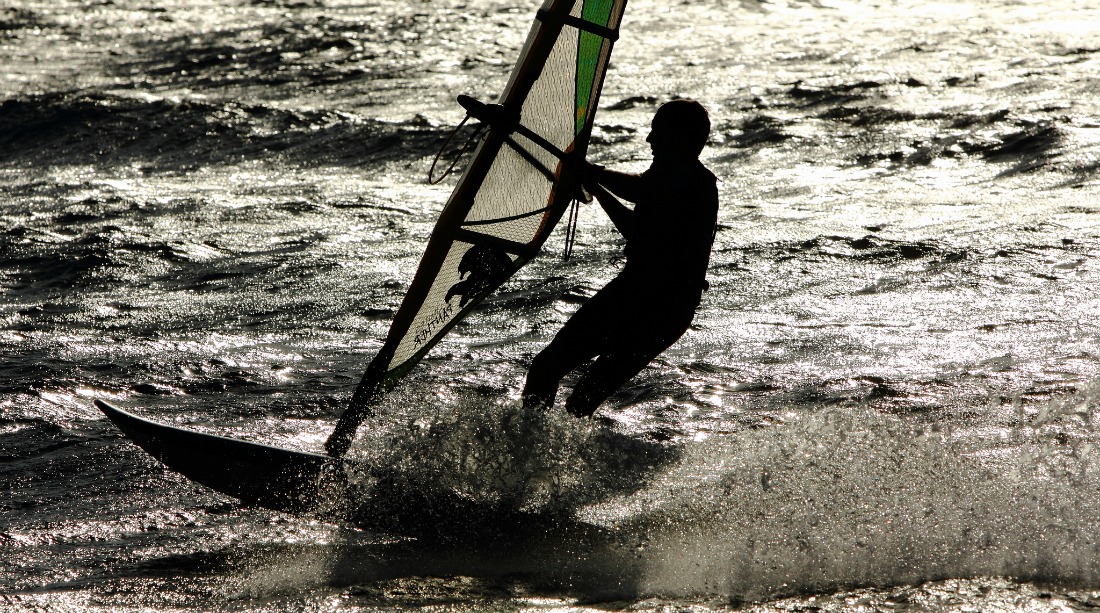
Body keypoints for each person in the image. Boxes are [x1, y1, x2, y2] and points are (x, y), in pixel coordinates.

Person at [522, 99, 719, 417]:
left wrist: (591, 171)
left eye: (657, 131)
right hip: (648, 298)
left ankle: (536, 451)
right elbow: (634, 228)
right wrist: (596, 188)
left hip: (657, 305)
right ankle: (533, 450)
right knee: (556, 379)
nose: (649, 139)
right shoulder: (669, 178)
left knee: (564, 384)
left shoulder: (694, 181)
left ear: (681, 136)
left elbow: (641, 190)